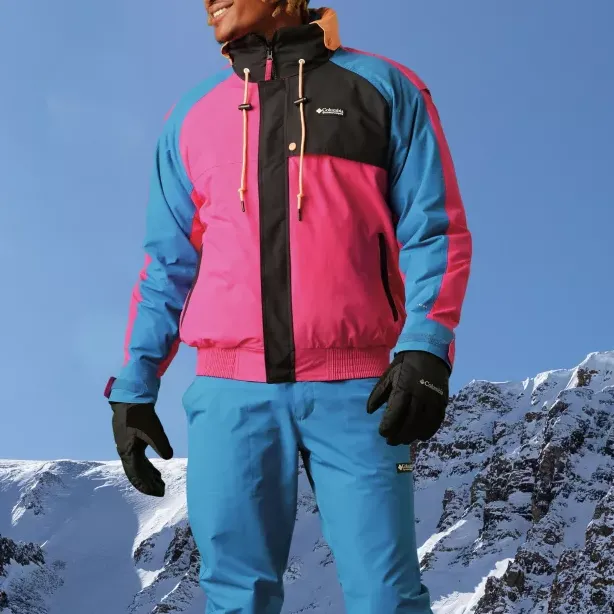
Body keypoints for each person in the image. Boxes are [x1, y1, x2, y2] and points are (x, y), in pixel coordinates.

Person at [105, 1, 472, 612]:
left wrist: (427, 346)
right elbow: (167, 264)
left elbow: (435, 231)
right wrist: (135, 385)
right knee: (236, 599)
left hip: (358, 390)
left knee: (386, 597)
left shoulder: (384, 88)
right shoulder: (191, 116)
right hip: (229, 394)